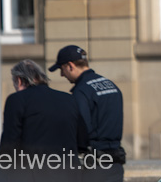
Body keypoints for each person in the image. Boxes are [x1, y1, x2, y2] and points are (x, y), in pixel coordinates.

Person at [0, 59, 87, 182]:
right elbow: (82, 141)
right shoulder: (68, 99)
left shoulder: (16, 100)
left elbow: (9, 144)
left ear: (19, 80)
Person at [49, 45, 125, 182]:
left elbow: (81, 130)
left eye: (61, 69)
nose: (62, 75)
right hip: (115, 165)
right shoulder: (111, 85)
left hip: (94, 167)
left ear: (70, 66)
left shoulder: (81, 91)